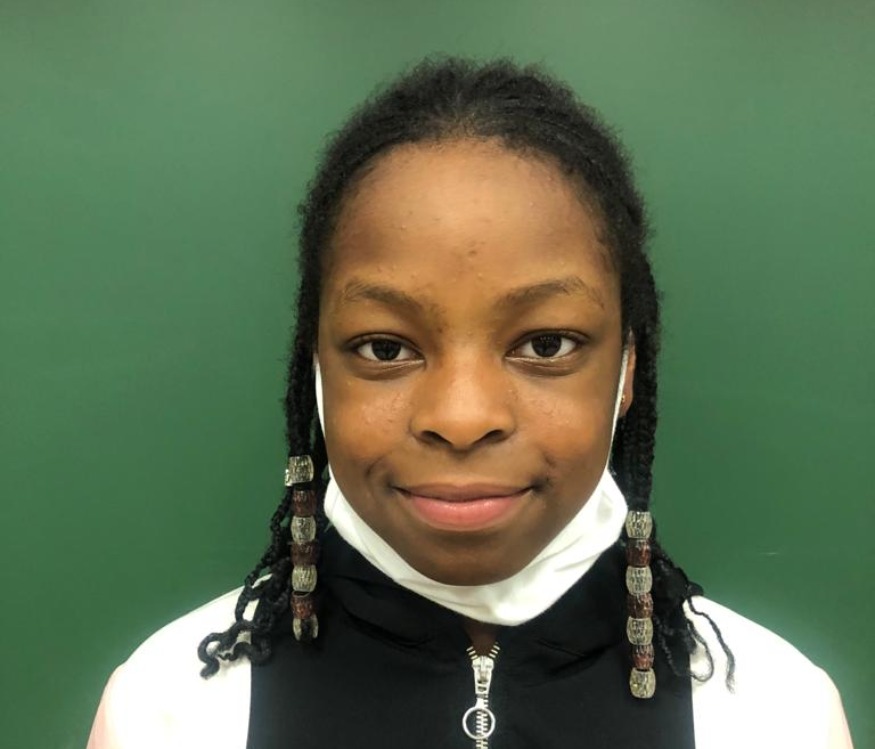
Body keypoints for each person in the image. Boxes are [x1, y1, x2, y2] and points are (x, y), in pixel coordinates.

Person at [86, 57, 854, 749]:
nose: (460, 418)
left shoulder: (772, 714)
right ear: (315, 369)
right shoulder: (172, 710)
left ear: (626, 369)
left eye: (545, 344)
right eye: (384, 348)